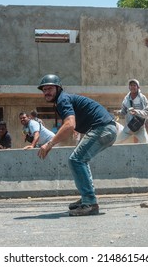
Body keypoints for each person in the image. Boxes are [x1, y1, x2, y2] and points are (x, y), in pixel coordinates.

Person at [37, 74, 117, 216]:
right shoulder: (63, 100)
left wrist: (49, 144)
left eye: (49, 88)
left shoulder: (63, 100)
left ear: (58, 88)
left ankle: (90, 203)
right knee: (80, 160)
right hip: (106, 129)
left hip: (102, 128)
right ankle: (87, 198)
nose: (46, 92)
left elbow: (69, 124)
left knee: (76, 160)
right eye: (44, 90)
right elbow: (70, 127)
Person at [115, 79, 148, 143]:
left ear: (138, 87)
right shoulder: (126, 99)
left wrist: (137, 112)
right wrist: (118, 112)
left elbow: (147, 112)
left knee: (147, 145)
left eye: (134, 85)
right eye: (131, 85)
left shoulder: (142, 98)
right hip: (129, 127)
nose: (132, 87)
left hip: (140, 127)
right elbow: (124, 111)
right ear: (129, 87)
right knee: (117, 142)